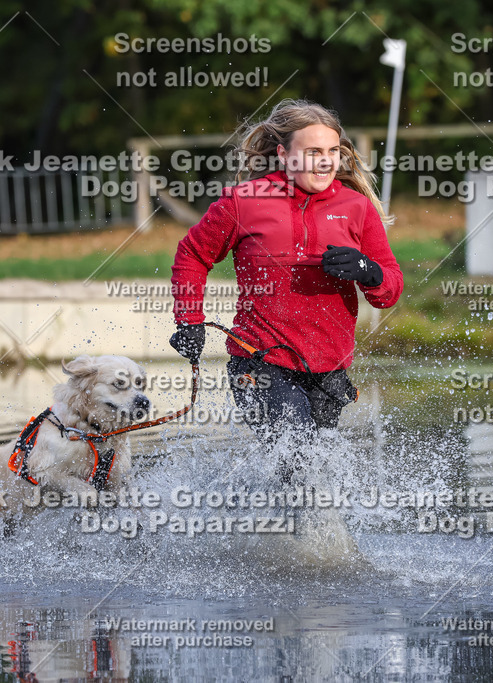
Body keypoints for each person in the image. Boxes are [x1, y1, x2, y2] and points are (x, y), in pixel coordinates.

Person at [169, 99, 404, 482]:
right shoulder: (243, 202)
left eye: (332, 151)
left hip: (329, 369)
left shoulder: (357, 207)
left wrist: (368, 270)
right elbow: (192, 255)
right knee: (299, 456)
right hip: (258, 362)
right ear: (284, 153)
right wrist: (189, 320)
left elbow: (389, 290)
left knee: (312, 475)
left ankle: (285, 537)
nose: (326, 161)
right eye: (313, 152)